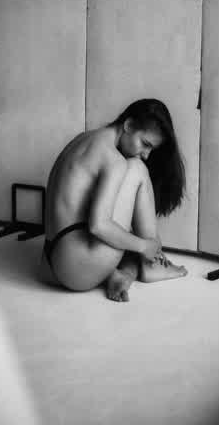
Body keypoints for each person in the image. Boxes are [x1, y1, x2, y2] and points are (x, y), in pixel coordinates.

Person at [39, 98, 188, 302]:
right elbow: (98, 226)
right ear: (128, 125)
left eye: (151, 149)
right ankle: (152, 265)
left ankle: (120, 274)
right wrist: (145, 246)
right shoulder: (113, 160)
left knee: (128, 248)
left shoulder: (84, 139)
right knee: (137, 168)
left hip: (49, 265)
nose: (146, 154)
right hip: (76, 270)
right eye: (145, 144)